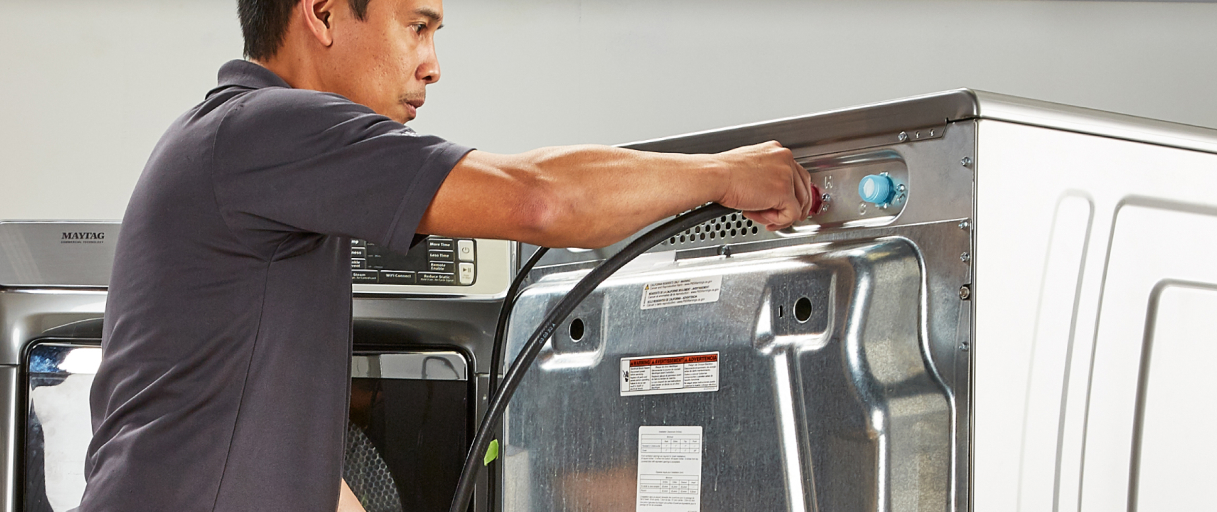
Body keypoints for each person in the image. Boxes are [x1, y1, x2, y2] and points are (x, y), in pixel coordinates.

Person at [80, 0, 813, 511]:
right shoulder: (265, 128)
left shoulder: (249, 153)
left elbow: (276, 456)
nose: (432, 65)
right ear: (323, 14)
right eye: (417, 27)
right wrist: (726, 174)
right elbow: (540, 201)